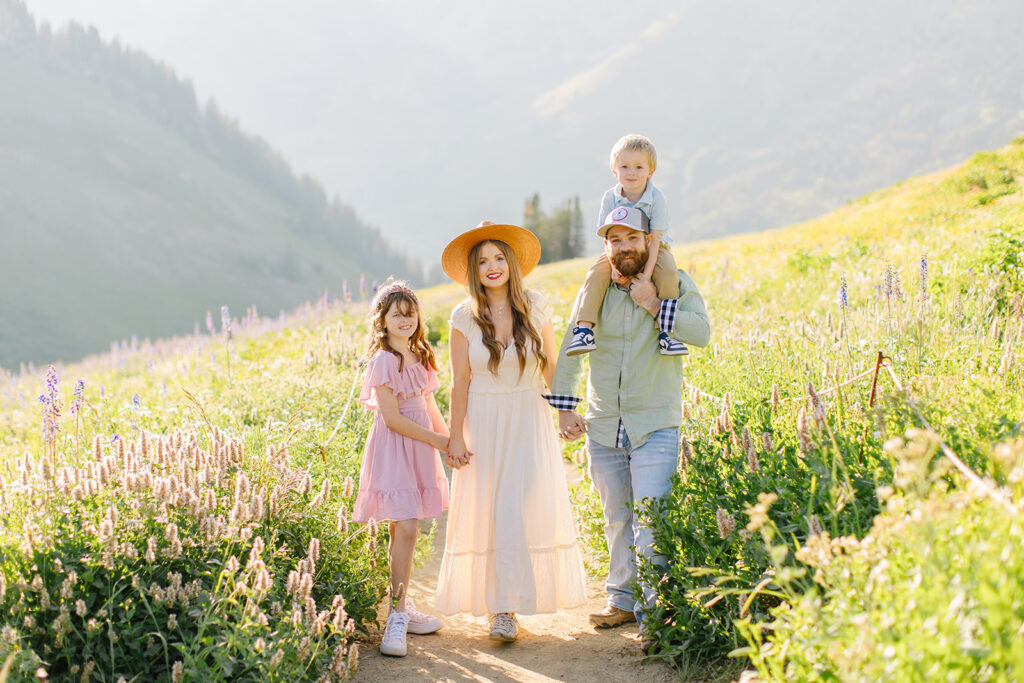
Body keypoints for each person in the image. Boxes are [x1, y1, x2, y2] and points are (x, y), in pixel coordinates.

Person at [548, 209, 710, 652]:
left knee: (651, 521)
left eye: (631, 237)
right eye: (614, 239)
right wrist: (565, 409)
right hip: (604, 426)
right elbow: (570, 347)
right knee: (617, 518)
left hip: (655, 422)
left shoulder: (672, 282)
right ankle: (621, 599)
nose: (623, 246)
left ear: (648, 241)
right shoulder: (595, 291)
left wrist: (655, 306)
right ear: (607, 247)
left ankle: (654, 614)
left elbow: (702, 332)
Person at [435, 221, 587, 643]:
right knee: (493, 509)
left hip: (527, 414)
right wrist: (457, 435)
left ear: (511, 263)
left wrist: (564, 413)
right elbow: (460, 380)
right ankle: (502, 610)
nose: (492, 266)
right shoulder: (462, 316)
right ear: (473, 269)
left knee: (516, 506)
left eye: (499, 257)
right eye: (482, 261)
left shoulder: (536, 306)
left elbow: (551, 365)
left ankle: (512, 601)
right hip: (483, 420)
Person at [352, 280, 451, 658]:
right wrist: (437, 441)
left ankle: (404, 606)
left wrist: (451, 442)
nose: (406, 321)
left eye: (411, 314)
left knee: (408, 527)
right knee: (404, 525)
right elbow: (392, 419)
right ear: (383, 320)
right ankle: (396, 613)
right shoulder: (383, 361)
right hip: (395, 447)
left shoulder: (421, 355)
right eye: (397, 315)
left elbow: (430, 405)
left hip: (421, 444)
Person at [566, 133, 688, 358]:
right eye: (625, 166)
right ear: (614, 170)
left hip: (654, 247)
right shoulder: (610, 198)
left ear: (650, 172)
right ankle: (584, 329)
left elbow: (656, 238)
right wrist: (613, 266)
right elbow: (606, 237)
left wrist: (645, 277)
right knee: (595, 273)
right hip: (618, 247)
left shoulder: (656, 198)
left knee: (669, 273)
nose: (631, 172)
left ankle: (667, 333)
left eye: (639, 167)